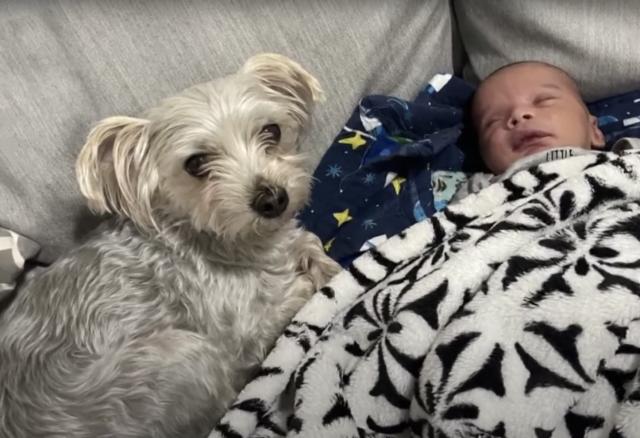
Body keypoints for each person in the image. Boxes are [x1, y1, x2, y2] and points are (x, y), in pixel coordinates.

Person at [451, 61, 640, 203]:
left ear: (594, 131)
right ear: (485, 157)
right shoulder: (479, 191)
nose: (518, 114)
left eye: (543, 101)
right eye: (493, 121)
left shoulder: (626, 158)